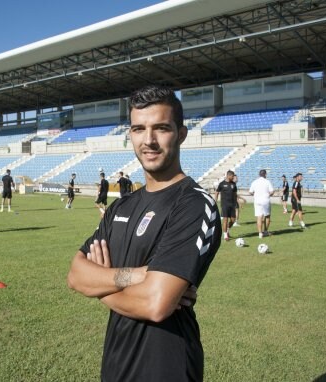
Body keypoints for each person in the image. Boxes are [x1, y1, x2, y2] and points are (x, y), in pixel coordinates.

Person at [67, 85, 221, 381]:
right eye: (139, 129)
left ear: (182, 134)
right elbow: (75, 275)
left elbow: (155, 304)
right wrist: (138, 275)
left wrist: (98, 286)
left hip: (166, 367)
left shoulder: (194, 204)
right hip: (115, 363)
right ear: (131, 135)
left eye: (161, 128)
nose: (148, 140)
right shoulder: (121, 206)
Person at [249, 169, 274, 238]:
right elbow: (272, 191)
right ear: (265, 174)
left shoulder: (255, 182)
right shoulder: (267, 181)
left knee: (259, 217)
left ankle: (260, 233)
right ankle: (265, 231)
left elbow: (250, 192)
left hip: (257, 201)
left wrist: (255, 195)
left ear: (259, 174)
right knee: (267, 216)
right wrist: (268, 195)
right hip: (265, 200)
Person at [215, 170, 237, 241]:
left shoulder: (233, 184)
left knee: (233, 220)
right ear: (228, 176)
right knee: (225, 219)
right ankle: (225, 235)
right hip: (225, 204)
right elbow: (217, 192)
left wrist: (236, 202)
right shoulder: (222, 184)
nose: (233, 177)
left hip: (232, 204)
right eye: (232, 176)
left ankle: (227, 230)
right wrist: (215, 200)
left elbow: (235, 194)